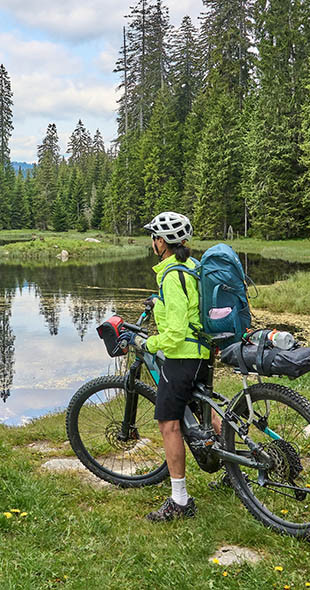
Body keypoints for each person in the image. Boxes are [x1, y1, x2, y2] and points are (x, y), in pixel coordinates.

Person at [122, 211, 210, 521]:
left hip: (182, 356)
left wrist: (148, 343)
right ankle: (233, 464)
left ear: (162, 242)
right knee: (205, 410)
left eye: (154, 238)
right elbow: (190, 308)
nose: (152, 242)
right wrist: (158, 303)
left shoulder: (172, 276)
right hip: (204, 353)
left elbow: (173, 334)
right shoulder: (193, 266)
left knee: (169, 424)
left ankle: (180, 500)